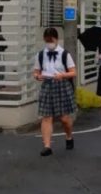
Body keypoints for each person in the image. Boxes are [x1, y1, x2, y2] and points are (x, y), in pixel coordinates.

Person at [33, 27, 77, 157]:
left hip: (62, 85)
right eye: (47, 41)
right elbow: (36, 71)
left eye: (51, 40)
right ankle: (47, 146)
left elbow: (73, 72)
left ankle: (69, 136)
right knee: (46, 117)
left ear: (56, 39)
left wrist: (62, 75)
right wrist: (37, 76)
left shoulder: (64, 54)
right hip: (47, 86)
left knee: (64, 118)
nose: (49, 43)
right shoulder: (40, 55)